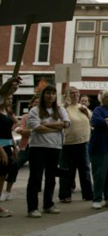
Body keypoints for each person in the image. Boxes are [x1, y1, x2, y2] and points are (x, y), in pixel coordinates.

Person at [26, 85, 70, 218]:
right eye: (48, 93)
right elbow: (37, 128)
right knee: (36, 177)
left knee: (51, 178)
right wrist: (56, 127)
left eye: (53, 93)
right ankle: (32, 207)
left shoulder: (60, 109)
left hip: (55, 147)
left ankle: (48, 204)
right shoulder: (35, 110)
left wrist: (46, 124)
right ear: (43, 95)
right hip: (38, 147)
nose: (50, 96)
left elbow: (66, 124)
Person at [58, 86, 93, 204]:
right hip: (67, 143)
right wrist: (65, 106)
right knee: (67, 170)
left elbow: (91, 121)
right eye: (72, 93)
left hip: (83, 142)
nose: (75, 95)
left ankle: (88, 194)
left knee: (85, 169)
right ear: (66, 95)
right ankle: (65, 194)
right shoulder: (62, 107)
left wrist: (87, 113)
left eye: (77, 93)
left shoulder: (82, 108)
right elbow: (57, 118)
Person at [2, 95, 39, 202]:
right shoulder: (25, 116)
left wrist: (30, 130)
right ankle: (8, 192)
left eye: (38, 103)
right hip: (25, 146)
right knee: (14, 165)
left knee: (36, 171)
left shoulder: (42, 116)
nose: (36, 104)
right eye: (35, 102)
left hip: (37, 146)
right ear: (31, 104)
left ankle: (35, 192)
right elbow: (20, 128)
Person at [0, 94, 18, 218]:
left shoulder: (7, 111)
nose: (9, 100)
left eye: (10, 98)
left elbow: (8, 131)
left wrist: (14, 146)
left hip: (7, 146)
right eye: (7, 98)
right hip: (0, 148)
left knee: (2, 176)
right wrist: (1, 151)